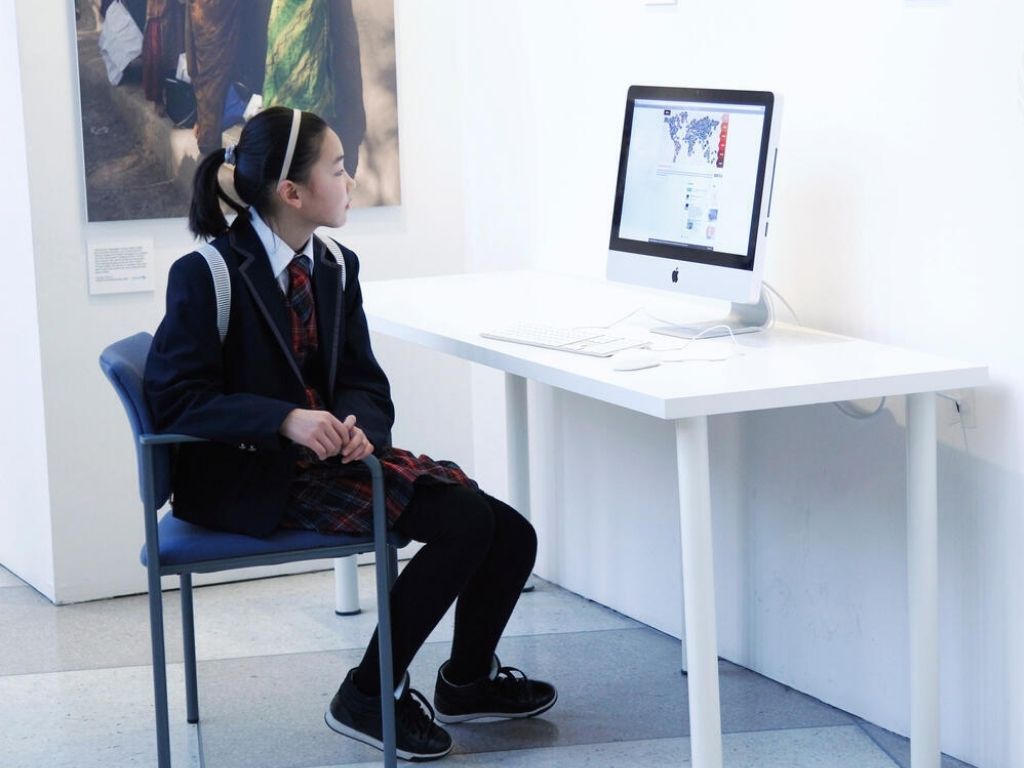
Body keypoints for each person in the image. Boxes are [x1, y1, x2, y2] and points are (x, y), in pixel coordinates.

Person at [143, 106, 557, 761]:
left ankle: (466, 683)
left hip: (330, 462)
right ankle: (366, 694)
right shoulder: (206, 276)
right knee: (467, 523)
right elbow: (175, 401)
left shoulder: (337, 265)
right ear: (292, 193)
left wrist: (362, 427)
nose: (351, 179)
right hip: (252, 476)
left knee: (513, 533)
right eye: (337, 168)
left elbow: (364, 379)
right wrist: (284, 420)